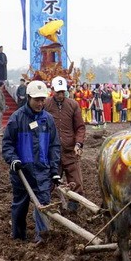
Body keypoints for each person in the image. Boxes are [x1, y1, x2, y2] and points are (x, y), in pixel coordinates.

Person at [2, 81, 61, 244]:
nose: (40, 103)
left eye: (43, 100)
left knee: (43, 204)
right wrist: (13, 159)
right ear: (28, 98)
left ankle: (42, 238)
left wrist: (54, 171)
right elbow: (7, 144)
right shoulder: (17, 118)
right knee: (20, 206)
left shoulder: (48, 120)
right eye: (37, 100)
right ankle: (18, 237)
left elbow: (54, 146)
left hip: (42, 171)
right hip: (22, 171)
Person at [44, 76, 86, 211]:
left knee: (76, 181)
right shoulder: (45, 105)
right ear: (52, 90)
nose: (60, 95)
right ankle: (45, 204)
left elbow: (80, 127)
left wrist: (78, 143)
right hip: (52, 151)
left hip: (70, 150)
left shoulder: (73, 105)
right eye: (58, 92)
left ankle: (74, 205)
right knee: (49, 180)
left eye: (63, 91)